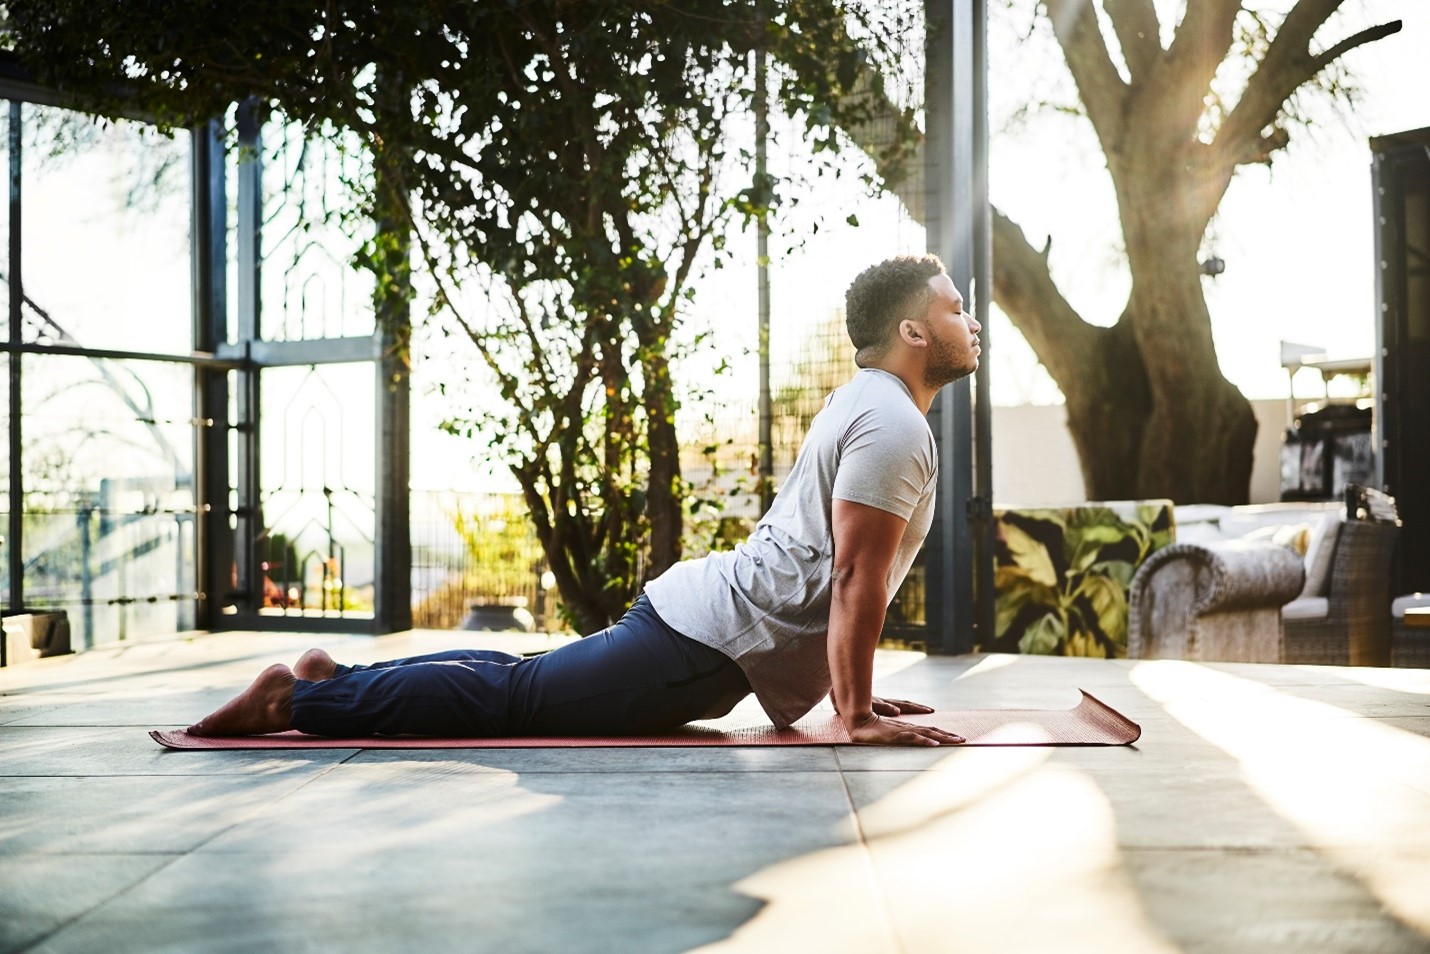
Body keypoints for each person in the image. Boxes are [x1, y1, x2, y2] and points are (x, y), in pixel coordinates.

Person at [190, 254, 981, 747]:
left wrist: (854, 687)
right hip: (703, 641)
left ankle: (336, 677)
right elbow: (851, 578)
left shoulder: (870, 403)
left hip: (708, 630)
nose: (969, 321)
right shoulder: (891, 424)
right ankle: (293, 700)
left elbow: (828, 566)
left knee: (522, 676)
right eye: (954, 309)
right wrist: (855, 714)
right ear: (913, 331)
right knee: (515, 699)